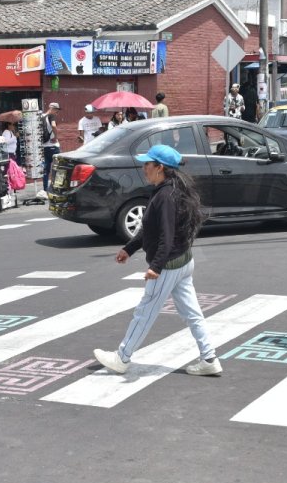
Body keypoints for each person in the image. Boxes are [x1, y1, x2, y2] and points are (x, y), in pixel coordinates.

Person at [94, 144, 222, 377]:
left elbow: (166, 235)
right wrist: (129, 248)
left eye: (147, 164)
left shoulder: (165, 196)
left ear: (160, 167)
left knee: (145, 313)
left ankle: (122, 358)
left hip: (169, 266)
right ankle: (209, 358)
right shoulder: (171, 189)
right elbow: (149, 228)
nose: (144, 168)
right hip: (183, 261)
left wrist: (156, 267)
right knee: (193, 314)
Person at [40, 103, 61, 195]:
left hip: (44, 147)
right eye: (57, 110)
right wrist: (56, 137)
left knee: (46, 169)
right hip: (53, 146)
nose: (57, 113)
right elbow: (53, 125)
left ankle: (45, 188)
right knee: (59, 168)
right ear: (53, 109)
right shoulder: (51, 115)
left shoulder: (41, 116)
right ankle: (57, 188)